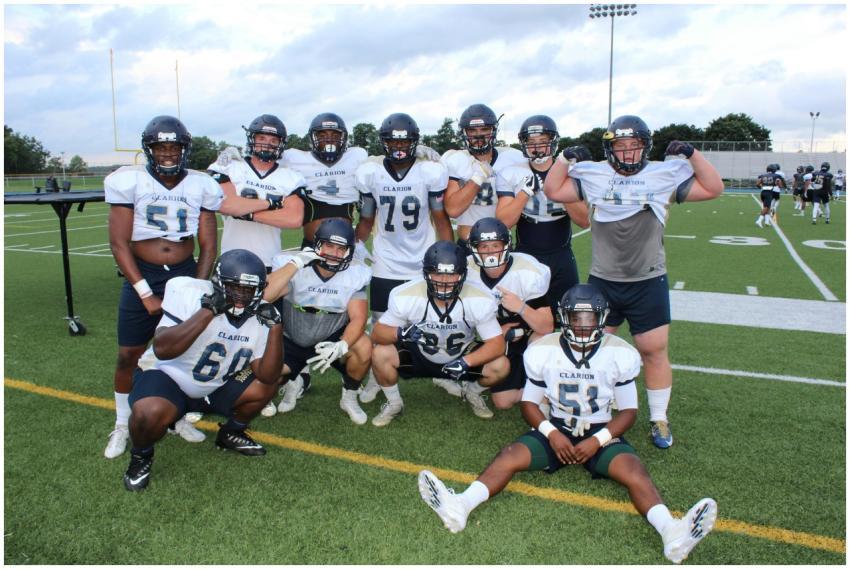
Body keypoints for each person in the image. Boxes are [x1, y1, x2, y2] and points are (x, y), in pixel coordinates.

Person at [417, 284, 717, 564]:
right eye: (576, 318)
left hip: (599, 430)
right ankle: (461, 505)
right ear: (565, 318)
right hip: (556, 427)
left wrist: (597, 440)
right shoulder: (544, 350)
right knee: (509, 456)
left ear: (602, 319)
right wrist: (552, 434)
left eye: (590, 318)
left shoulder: (620, 353)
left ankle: (670, 532)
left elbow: (628, 412)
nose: (583, 325)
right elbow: (529, 404)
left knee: (634, 471)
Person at [543, 115, 724, 449]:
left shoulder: (661, 175)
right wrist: (565, 158)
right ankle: (593, 409)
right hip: (603, 281)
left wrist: (693, 153)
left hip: (647, 279)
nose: (627, 152)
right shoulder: (596, 175)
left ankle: (659, 417)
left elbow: (714, 188)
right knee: (588, 349)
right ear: (610, 149)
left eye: (634, 145)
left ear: (645, 147)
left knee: (653, 350)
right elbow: (552, 189)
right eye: (621, 146)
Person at [104, 115, 242, 459]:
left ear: (184, 149)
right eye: (160, 146)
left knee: (183, 350)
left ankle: (177, 416)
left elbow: (208, 245)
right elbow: (119, 243)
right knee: (129, 354)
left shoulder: (201, 185)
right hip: (144, 273)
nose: (167, 153)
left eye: (174, 146)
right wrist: (144, 292)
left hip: (184, 273)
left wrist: (196, 288)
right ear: (149, 149)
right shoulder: (129, 180)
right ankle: (122, 423)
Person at [122, 249, 283, 491]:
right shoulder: (190, 294)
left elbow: (269, 375)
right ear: (218, 283)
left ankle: (230, 432)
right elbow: (162, 349)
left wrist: (276, 328)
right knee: (149, 411)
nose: (241, 296)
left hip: (216, 384)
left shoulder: (260, 315)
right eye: (234, 287)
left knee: (265, 385)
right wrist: (207, 312)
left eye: (249, 289)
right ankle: (141, 456)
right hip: (168, 378)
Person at [352, 113, 454, 402]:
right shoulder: (371, 173)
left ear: (414, 142)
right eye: (393, 141)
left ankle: (440, 371)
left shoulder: (429, 171)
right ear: (384, 142)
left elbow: (441, 217)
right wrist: (355, 246)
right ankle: (377, 376)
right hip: (386, 260)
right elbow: (366, 218)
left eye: (404, 141)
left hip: (423, 259)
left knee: (436, 321)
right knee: (380, 324)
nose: (398, 146)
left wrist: (450, 256)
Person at [368, 240, 508, 425]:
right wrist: (400, 333)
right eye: (437, 273)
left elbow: (497, 344)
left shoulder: (478, 297)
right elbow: (377, 334)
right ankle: (394, 403)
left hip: (460, 355)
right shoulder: (407, 294)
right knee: (380, 353)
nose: (444, 281)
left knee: (501, 365)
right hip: (420, 354)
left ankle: (471, 392)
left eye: (451, 275)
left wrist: (466, 362)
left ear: (463, 275)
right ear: (426, 273)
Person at [264, 219, 372, 424]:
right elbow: (265, 296)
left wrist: (343, 345)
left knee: (364, 347)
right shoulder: (294, 263)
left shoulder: (356, 273)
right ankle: (295, 380)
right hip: (292, 336)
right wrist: (295, 264)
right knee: (265, 379)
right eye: (329, 245)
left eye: (341, 249)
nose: (334, 253)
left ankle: (349, 397)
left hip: (332, 335)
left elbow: (358, 318)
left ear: (349, 251)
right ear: (317, 244)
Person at [495, 115, 589, 318]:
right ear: (524, 144)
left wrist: (560, 190)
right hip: (526, 255)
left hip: (562, 256)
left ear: (553, 142)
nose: (537, 147)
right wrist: (524, 193)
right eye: (531, 142)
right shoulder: (512, 173)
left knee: (569, 316)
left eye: (543, 141)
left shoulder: (572, 171)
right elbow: (504, 222)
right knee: (525, 317)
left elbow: (584, 221)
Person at [455, 217, 553, 410]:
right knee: (503, 402)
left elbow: (547, 326)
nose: (491, 252)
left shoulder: (528, 270)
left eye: (496, 245)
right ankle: (539, 391)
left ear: (506, 246)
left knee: (541, 341)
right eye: (484, 246)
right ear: (474, 249)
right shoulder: (467, 272)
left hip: (527, 334)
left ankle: (543, 391)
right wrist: (497, 333)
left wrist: (521, 307)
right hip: (491, 338)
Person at [208, 114, 307, 271]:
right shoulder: (231, 167)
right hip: (230, 260)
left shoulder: (291, 177)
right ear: (252, 139)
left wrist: (248, 213)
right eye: (262, 138)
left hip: (269, 262)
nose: (267, 144)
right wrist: (271, 203)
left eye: (273, 140)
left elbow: (294, 218)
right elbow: (226, 205)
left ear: (281, 144)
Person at [441, 104, 525, 253]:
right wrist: (477, 178)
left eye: (484, 129)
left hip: (502, 245)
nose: (478, 135)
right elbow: (453, 210)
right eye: (472, 130)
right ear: (464, 132)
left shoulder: (513, 158)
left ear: (493, 131)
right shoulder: (456, 160)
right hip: (468, 244)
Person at [282, 112, 367, 248]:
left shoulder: (356, 156)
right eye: (322, 135)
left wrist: (359, 244)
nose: (329, 140)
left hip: (343, 246)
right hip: (311, 246)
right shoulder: (294, 158)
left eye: (335, 135)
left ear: (343, 138)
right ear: (313, 138)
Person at [755, 163, 784, 227]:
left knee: (768, 207)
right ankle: (759, 220)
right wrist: (777, 184)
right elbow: (780, 185)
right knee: (766, 207)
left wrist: (761, 187)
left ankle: (767, 221)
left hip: (763, 192)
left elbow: (757, 184)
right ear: (774, 169)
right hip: (769, 192)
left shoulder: (762, 175)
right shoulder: (776, 176)